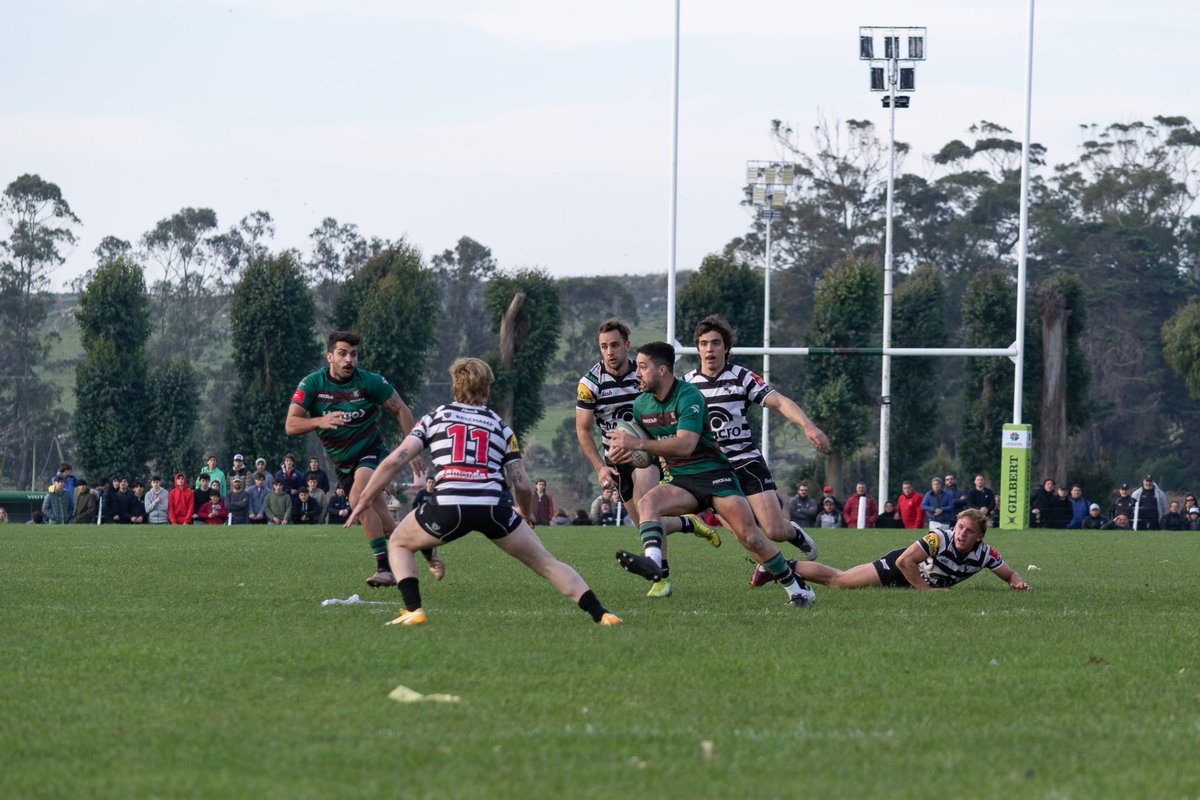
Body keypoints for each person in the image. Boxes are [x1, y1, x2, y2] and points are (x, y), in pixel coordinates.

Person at [345, 356, 621, 627]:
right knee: (547, 563)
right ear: (487, 389)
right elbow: (522, 483)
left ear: (454, 387)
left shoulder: (435, 417)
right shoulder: (500, 427)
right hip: (493, 506)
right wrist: (525, 514)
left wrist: (365, 499)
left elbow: (395, 460)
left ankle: (413, 609)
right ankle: (602, 614)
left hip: (449, 505)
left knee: (399, 543)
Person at [606, 341, 816, 607]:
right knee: (647, 503)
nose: (637, 373)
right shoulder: (641, 404)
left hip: (715, 475)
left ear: (662, 370)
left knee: (750, 537)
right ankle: (654, 564)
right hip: (681, 479)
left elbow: (685, 444)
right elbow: (641, 446)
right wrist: (620, 453)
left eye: (643, 367)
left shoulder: (689, 396)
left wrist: (635, 444)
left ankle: (797, 589)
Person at [287, 331, 443, 586]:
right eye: (342, 353)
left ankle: (385, 568)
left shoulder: (370, 382)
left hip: (372, 452)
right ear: (330, 357)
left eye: (354, 354)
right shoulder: (313, 384)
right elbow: (291, 424)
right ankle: (425, 545)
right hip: (343, 464)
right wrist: (320, 420)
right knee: (384, 523)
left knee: (358, 499)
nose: (349, 359)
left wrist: (412, 447)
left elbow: (401, 409)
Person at [684, 315, 828, 588]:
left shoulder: (741, 377)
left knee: (773, 530)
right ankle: (775, 567)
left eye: (716, 343)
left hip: (747, 461)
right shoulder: (687, 385)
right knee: (741, 531)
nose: (709, 349)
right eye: (704, 344)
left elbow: (780, 402)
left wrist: (808, 426)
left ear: (726, 348)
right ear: (698, 348)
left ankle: (793, 532)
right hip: (715, 469)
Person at [574, 317, 720, 565]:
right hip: (616, 458)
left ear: (627, 344)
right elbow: (583, 430)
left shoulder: (644, 373)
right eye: (604, 346)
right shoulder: (590, 384)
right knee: (644, 521)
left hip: (647, 455)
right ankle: (688, 522)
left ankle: (659, 574)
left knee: (647, 503)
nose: (610, 352)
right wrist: (601, 467)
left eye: (615, 345)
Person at [778, 509, 1029, 592]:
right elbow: (905, 561)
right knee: (839, 581)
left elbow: (1010, 575)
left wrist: (1018, 583)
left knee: (840, 577)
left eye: (969, 531)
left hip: (912, 577)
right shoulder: (940, 538)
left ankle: (781, 568)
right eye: (960, 527)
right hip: (898, 568)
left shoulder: (985, 553)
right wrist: (926, 592)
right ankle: (780, 567)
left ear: (980, 537)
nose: (962, 533)